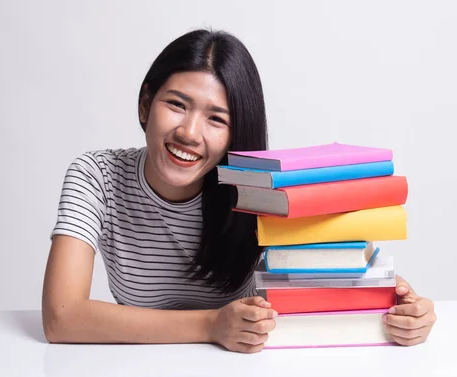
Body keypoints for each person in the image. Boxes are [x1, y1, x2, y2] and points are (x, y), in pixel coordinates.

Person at [41, 28, 436, 353]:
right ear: (146, 103)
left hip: (251, 375)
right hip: (139, 375)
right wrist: (212, 324)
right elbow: (61, 317)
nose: (189, 133)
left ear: (235, 133)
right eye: (177, 105)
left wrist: (404, 310)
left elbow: (351, 266)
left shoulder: (258, 189)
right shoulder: (96, 177)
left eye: (216, 118)